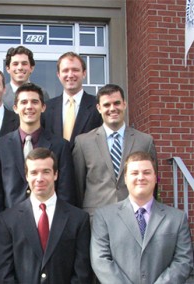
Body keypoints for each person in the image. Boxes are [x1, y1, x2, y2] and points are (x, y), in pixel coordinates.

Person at [90, 151, 193, 284]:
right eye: (134, 173)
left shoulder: (177, 219)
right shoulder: (104, 217)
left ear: (155, 178)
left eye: (147, 172)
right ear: (126, 179)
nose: (141, 177)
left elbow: (183, 261)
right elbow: (100, 260)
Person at [0, 148, 92, 283]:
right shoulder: (8, 220)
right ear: (26, 176)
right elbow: (3, 272)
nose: (39, 178)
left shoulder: (78, 219)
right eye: (34, 173)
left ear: (56, 174)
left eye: (46, 172)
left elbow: (82, 272)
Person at [0, 83, 76, 213]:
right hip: (11, 222)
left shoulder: (60, 146)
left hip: (48, 220)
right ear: (15, 108)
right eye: (24, 102)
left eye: (35, 102)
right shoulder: (0, 146)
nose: (29, 106)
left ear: (43, 107)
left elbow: (66, 192)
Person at [73, 84, 157, 216]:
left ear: (124, 104)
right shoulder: (83, 142)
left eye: (117, 103)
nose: (112, 109)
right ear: (99, 108)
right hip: (96, 217)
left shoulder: (145, 141)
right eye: (106, 105)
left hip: (136, 216)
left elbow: (152, 183)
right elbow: (78, 186)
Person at [42, 52, 102, 149]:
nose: (70, 75)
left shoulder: (98, 106)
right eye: (65, 70)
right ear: (58, 74)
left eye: (75, 70)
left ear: (84, 73)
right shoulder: (47, 108)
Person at [3, 45, 49, 110]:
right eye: (15, 64)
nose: (20, 68)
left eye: (24, 64)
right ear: (8, 68)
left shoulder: (42, 93)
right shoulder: (1, 94)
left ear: (31, 68)